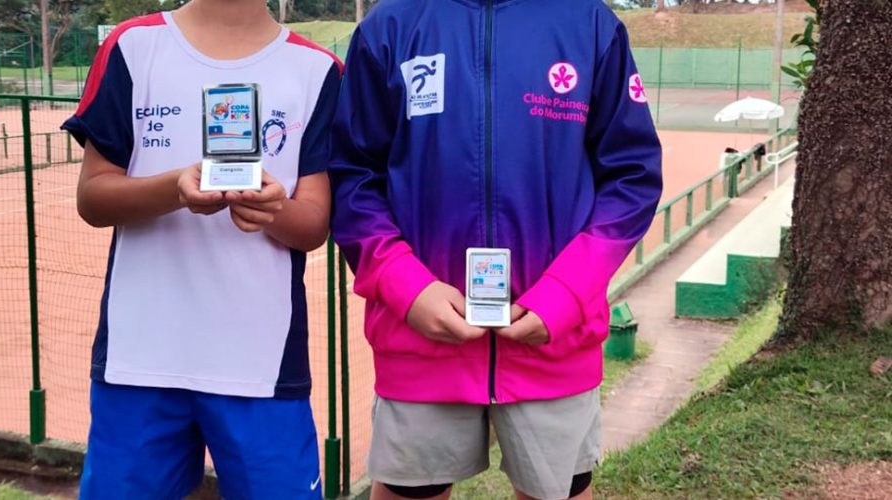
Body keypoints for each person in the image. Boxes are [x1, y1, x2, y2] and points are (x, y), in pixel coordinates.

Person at [328, 0, 662, 499]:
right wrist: (406, 287)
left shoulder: (589, 23)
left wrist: (566, 294)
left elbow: (632, 178)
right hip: (420, 340)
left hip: (551, 342)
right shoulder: (390, 25)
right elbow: (352, 179)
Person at [61, 0, 341, 497]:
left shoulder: (317, 68)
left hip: (261, 367)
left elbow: (314, 224)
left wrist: (271, 207)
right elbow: (93, 198)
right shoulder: (133, 45)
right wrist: (175, 188)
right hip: (140, 360)